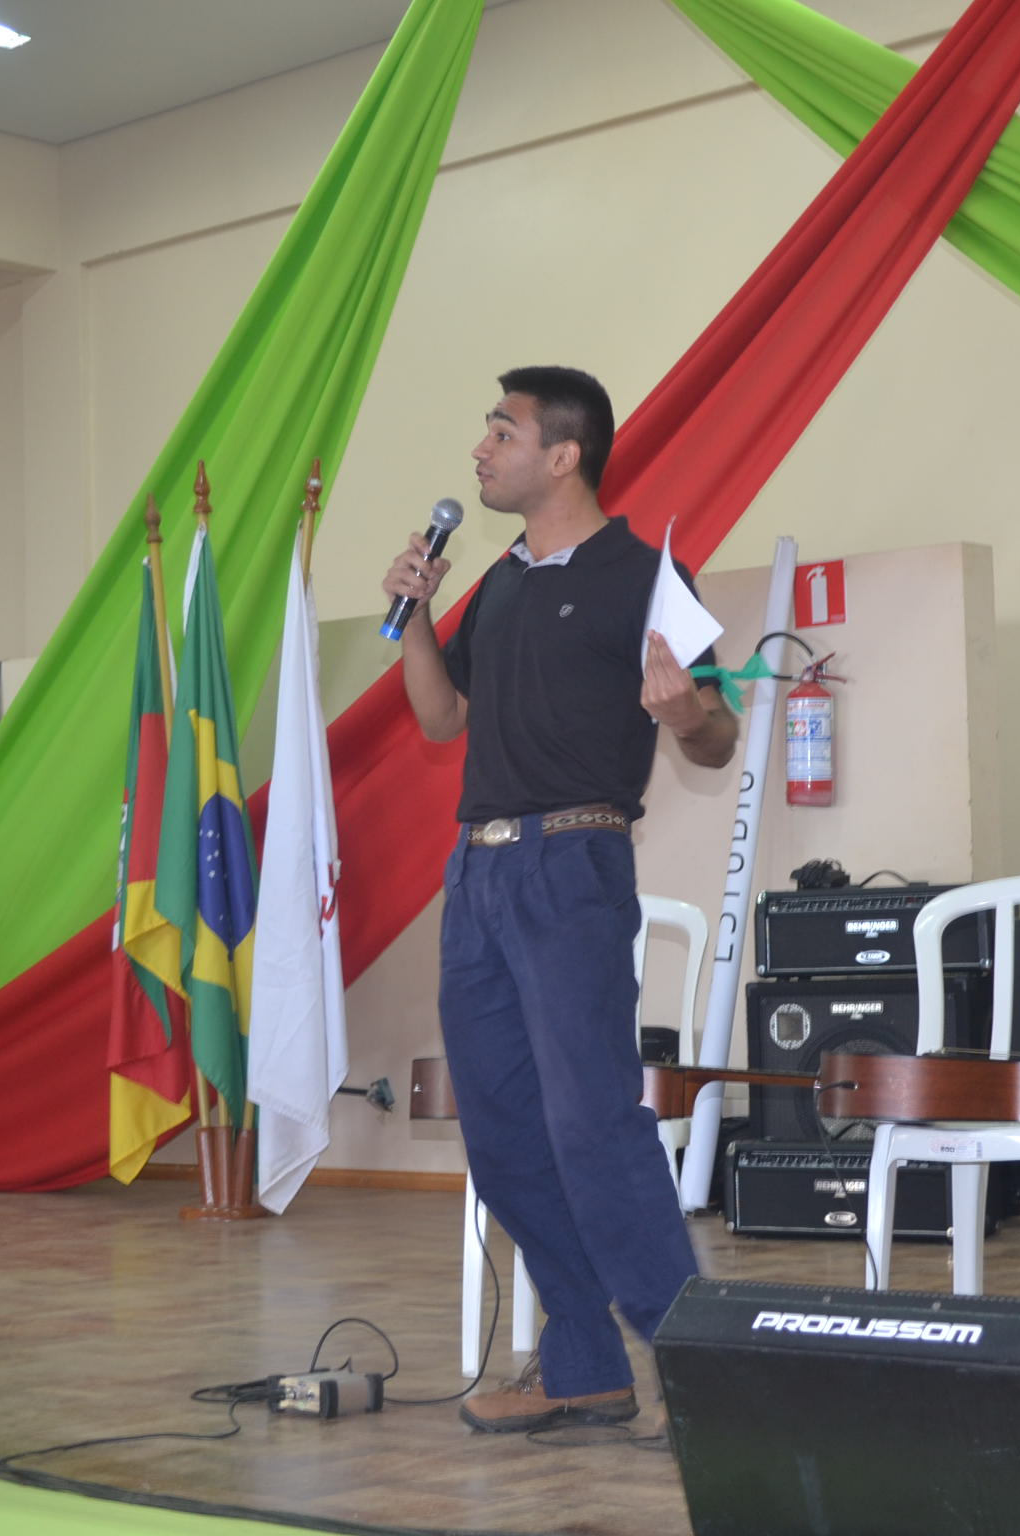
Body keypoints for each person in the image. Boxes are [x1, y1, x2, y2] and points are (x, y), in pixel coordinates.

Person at [382, 366, 738, 1433]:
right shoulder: (500, 583)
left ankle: (703, 1374)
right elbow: (442, 721)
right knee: (500, 1130)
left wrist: (685, 715)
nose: (481, 449)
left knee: (591, 1122)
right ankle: (582, 1363)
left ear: (564, 455)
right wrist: (415, 618)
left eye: (503, 431)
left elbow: (715, 736)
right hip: (477, 873)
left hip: (574, 866)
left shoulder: (647, 576)